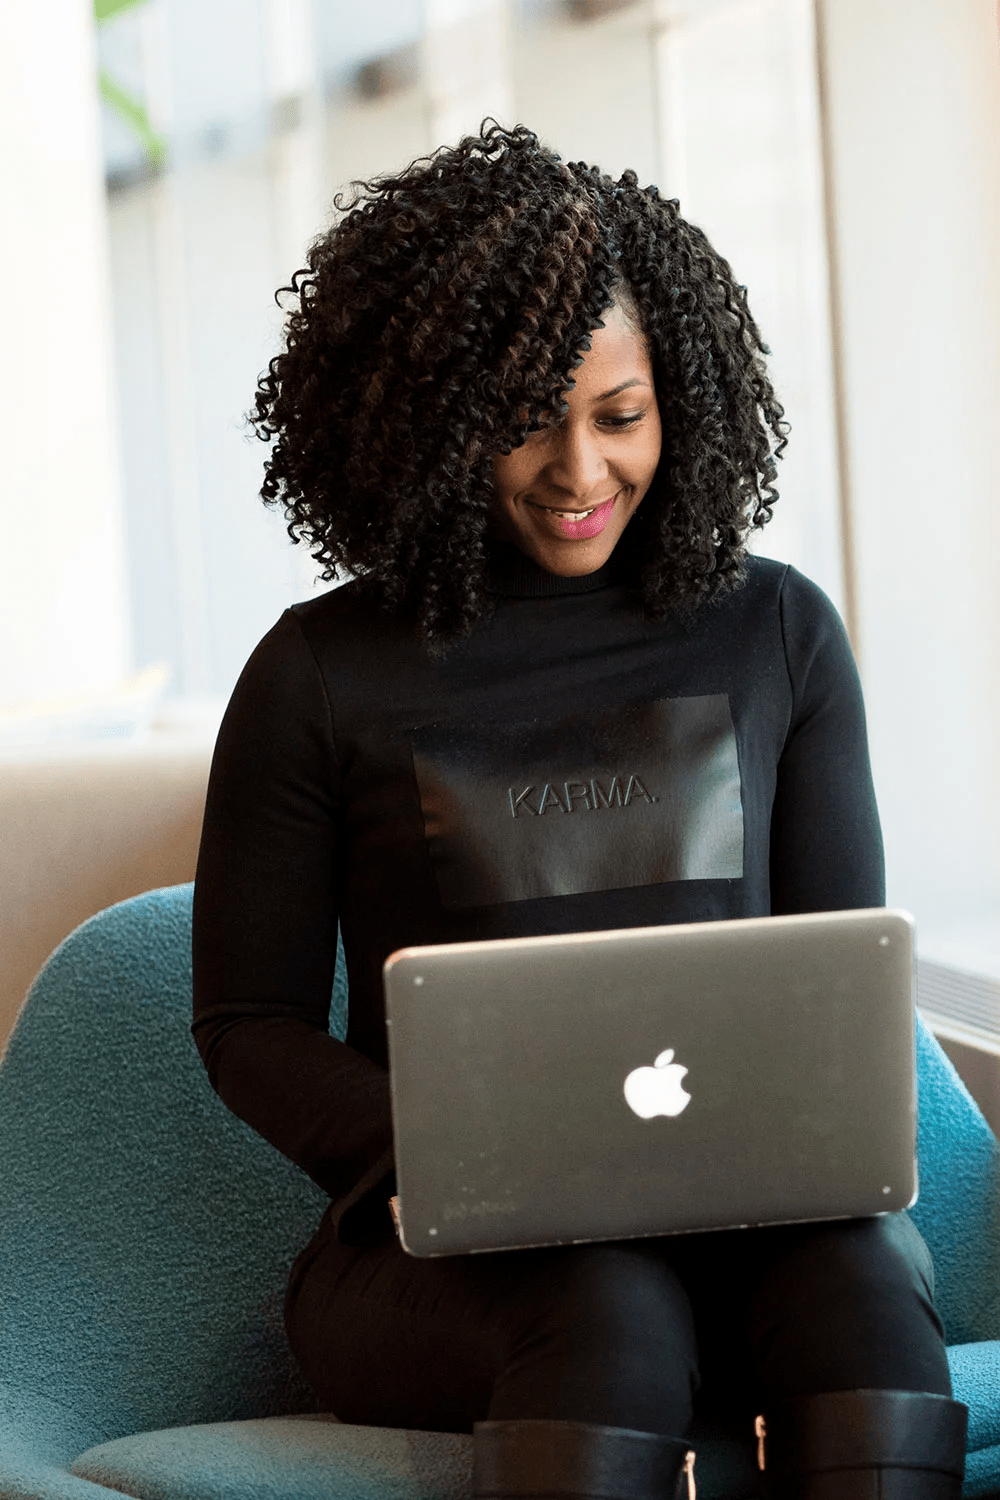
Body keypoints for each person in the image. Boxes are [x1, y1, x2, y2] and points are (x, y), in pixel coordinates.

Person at [191, 122, 966, 1499]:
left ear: (681, 398)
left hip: (761, 1231)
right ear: (431, 419)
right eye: (520, 420)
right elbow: (246, 1028)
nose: (577, 471)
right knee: (611, 1305)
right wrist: (466, 1157)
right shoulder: (319, 672)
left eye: (619, 415)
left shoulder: (779, 635)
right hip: (448, 1259)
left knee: (856, 1292)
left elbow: (837, 995)